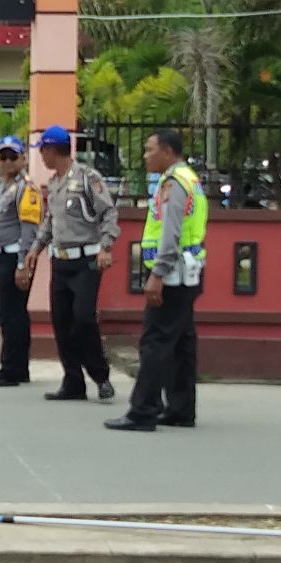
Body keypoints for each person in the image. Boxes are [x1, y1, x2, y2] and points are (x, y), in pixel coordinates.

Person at [105, 129, 207, 432]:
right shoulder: (189, 178)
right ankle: (180, 409)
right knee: (181, 342)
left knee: (155, 342)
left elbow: (171, 232)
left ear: (167, 151)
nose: (145, 155)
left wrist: (157, 275)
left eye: (150, 149)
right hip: (188, 271)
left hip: (172, 273)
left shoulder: (174, 184)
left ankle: (143, 411)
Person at [23, 125, 119, 402]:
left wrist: (106, 247)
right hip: (60, 261)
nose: (42, 156)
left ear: (54, 150)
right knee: (61, 321)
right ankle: (73, 380)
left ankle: (100, 376)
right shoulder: (54, 183)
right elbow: (50, 222)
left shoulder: (88, 178)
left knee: (83, 318)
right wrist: (36, 249)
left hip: (86, 260)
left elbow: (109, 213)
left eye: (43, 150)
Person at [0, 136, 41, 387]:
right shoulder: (2, 188)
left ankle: (10, 370)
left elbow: (29, 229)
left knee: (11, 315)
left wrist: (23, 264)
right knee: (10, 314)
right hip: (0, 254)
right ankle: (18, 367)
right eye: (2, 157)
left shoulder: (27, 188)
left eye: (12, 157)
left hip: (15, 257)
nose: (7, 162)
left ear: (23, 159)